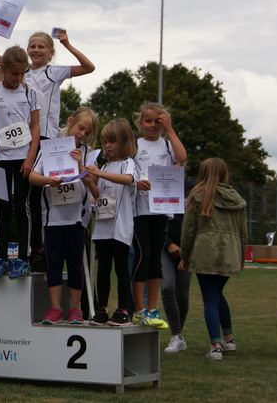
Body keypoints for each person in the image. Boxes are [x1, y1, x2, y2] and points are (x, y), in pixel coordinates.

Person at [0, 11, 95, 271]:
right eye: (32, 45)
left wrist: (67, 44)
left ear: (51, 52)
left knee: (41, 198)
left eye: (41, 46)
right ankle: (32, 250)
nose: (35, 49)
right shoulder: (20, 70)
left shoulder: (54, 72)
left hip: (47, 139)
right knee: (24, 199)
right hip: (22, 144)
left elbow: (89, 67)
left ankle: (41, 249)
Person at [28, 106, 99, 324]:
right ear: (70, 122)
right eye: (81, 128)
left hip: (77, 217)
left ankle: (76, 309)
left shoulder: (88, 153)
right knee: (54, 263)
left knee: (75, 263)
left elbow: (95, 188)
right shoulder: (49, 148)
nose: (82, 134)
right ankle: (56, 308)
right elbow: (32, 176)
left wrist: (81, 167)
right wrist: (49, 180)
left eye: (87, 132)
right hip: (53, 218)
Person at [0, 45, 40, 280]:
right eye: (14, 73)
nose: (18, 78)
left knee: (21, 207)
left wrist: (31, 158)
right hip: (0, 159)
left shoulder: (30, 93)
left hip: (23, 159)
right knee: (1, 209)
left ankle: (23, 258)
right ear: (3, 69)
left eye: (22, 73)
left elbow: (36, 126)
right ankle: (1, 257)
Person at [180, 158, 247, 360]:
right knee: (217, 294)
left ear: (203, 173)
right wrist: (242, 257)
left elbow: (188, 230)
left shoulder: (197, 196)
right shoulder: (236, 198)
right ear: (224, 173)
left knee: (210, 298)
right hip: (231, 252)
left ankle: (215, 345)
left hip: (205, 251)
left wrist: (184, 256)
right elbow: (243, 232)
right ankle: (229, 338)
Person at [132, 102, 187, 329]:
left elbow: (182, 156)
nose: (153, 125)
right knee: (142, 257)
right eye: (148, 121)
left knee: (155, 260)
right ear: (140, 122)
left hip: (161, 209)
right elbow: (128, 170)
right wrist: (137, 183)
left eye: (158, 121)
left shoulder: (167, 144)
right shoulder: (135, 145)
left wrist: (170, 129)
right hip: (140, 210)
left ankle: (152, 308)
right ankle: (139, 310)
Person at [86, 119, 137, 326]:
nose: (107, 146)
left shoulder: (128, 163)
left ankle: (123, 310)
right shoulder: (106, 165)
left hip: (120, 227)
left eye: (112, 141)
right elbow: (99, 195)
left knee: (121, 268)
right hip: (103, 226)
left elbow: (128, 179)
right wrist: (90, 182)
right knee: (103, 269)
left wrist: (99, 173)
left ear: (123, 142)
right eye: (105, 141)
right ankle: (101, 309)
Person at [161, 213, 191, 353]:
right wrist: (168, 243)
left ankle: (179, 336)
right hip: (163, 246)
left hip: (187, 247)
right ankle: (176, 334)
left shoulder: (193, 197)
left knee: (182, 293)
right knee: (167, 287)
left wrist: (187, 248)